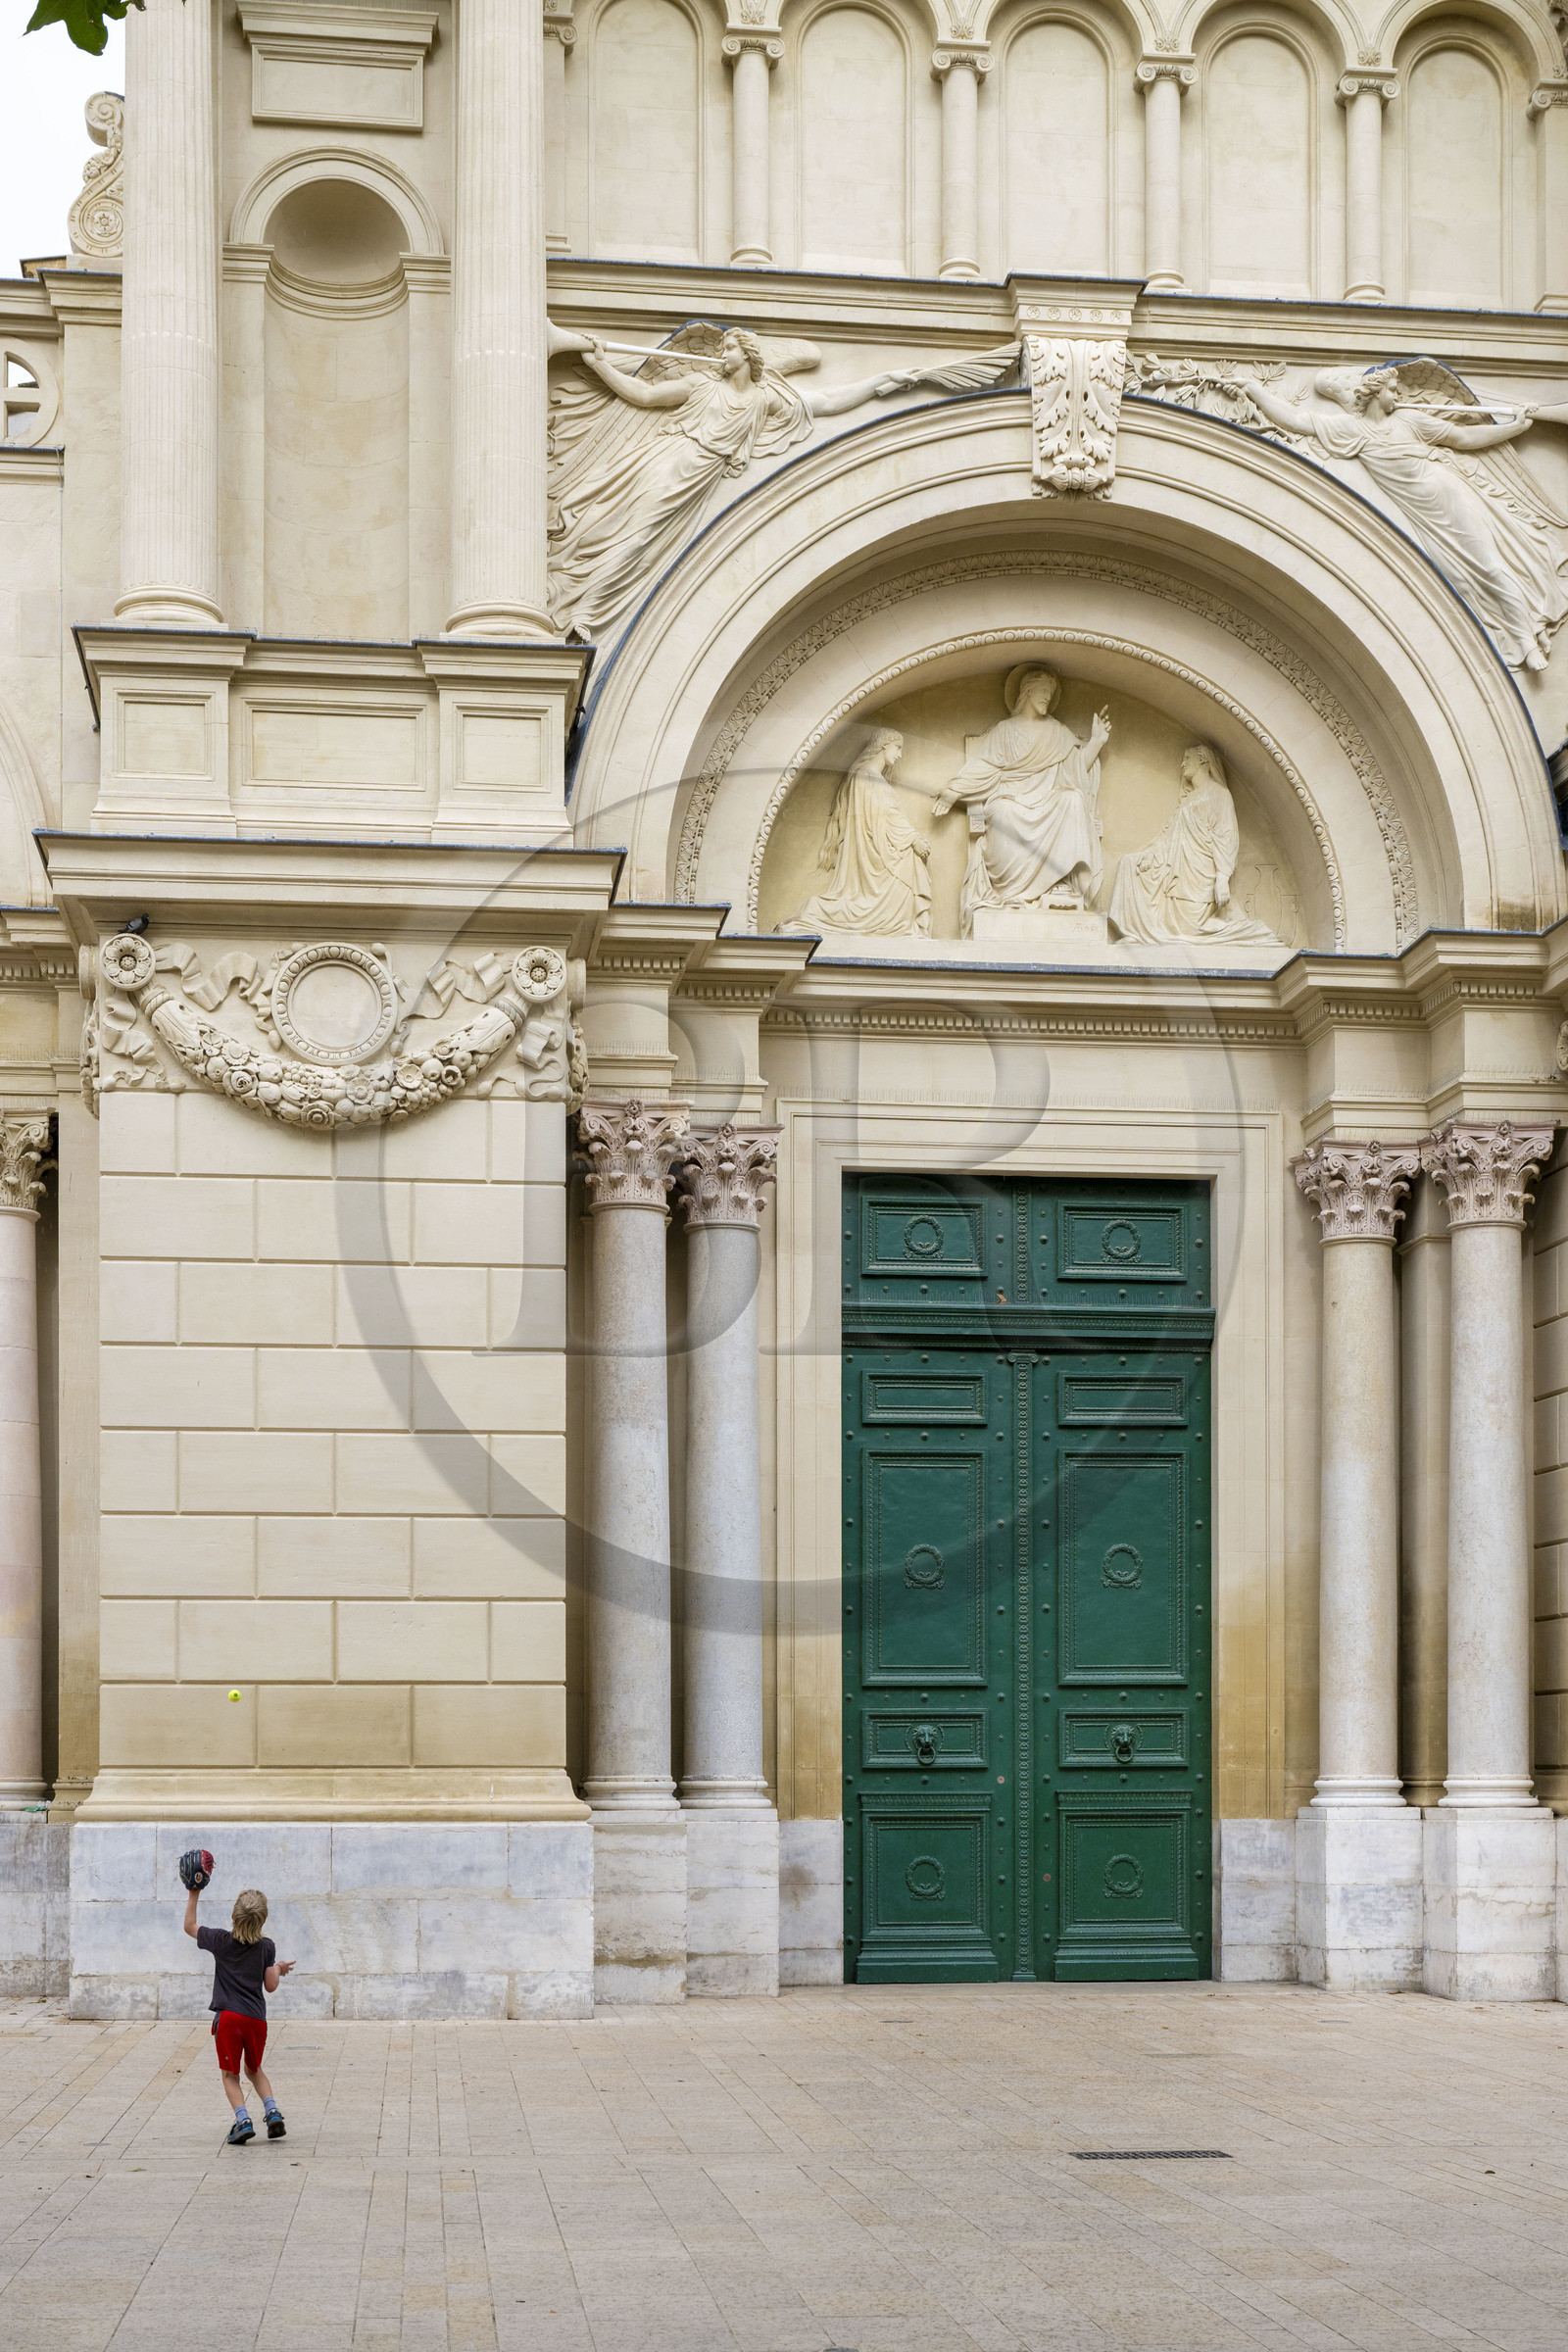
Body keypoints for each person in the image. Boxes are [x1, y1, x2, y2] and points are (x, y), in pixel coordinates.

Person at [1235, 365, 1565, 672]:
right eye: (1393, 389)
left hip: (1448, 497)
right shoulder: (1351, 430)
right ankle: (1507, 638)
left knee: (1488, 565)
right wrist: (1255, 389)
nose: (1399, 396)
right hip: (1423, 517)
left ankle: (1526, 640)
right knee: (1459, 582)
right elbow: (1296, 419)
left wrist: (1513, 428)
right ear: (1376, 393)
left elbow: (1462, 438)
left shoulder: (1409, 420)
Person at [930, 666, 1109, 936]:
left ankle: (1056, 883)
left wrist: (1096, 742)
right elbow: (984, 766)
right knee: (1003, 812)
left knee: (1072, 799)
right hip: (1011, 798)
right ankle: (1009, 894)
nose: (1047, 699)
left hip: (1050, 799)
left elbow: (1074, 769)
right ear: (1026, 691)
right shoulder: (1005, 731)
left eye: (1050, 694)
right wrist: (954, 791)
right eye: (1042, 692)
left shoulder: (1057, 731)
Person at [1109, 744, 1280, 946]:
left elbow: (1227, 835)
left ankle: (1250, 933)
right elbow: (1170, 835)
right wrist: (1151, 854)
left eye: (1187, 759)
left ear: (1203, 761)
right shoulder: (1188, 800)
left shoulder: (1219, 794)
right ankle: (1135, 933)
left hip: (1200, 873)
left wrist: (1223, 878)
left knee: (1189, 930)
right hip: (1177, 868)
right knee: (1129, 864)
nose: (1182, 764)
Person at [783, 729, 931, 937]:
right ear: (883, 745)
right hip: (874, 853)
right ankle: (894, 925)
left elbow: (886, 814)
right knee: (910, 864)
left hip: (877, 849)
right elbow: (883, 814)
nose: (899, 755)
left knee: (911, 864)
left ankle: (899, 926)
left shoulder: (869, 776)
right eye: (897, 747)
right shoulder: (867, 776)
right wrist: (914, 839)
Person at [184, 1876, 294, 2145]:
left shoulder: (220, 1940)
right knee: (254, 2069)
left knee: (230, 2075)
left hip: (229, 2018)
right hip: (256, 2019)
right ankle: (272, 2111)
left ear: (233, 1915)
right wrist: (278, 1968)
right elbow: (270, 1986)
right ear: (263, 1920)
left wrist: (194, 1891)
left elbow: (189, 1926)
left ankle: (243, 2120)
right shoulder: (266, 1946)